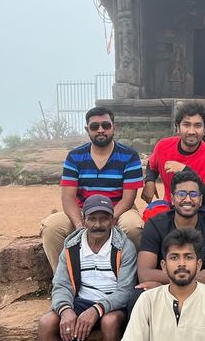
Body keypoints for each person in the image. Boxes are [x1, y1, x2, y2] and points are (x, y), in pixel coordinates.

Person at [31, 195, 137, 341]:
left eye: (104, 218)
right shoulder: (72, 246)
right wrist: (67, 310)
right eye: (92, 218)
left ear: (112, 220)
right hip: (80, 300)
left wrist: (96, 310)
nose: (98, 224)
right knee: (47, 322)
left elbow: (125, 290)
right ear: (84, 220)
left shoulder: (124, 247)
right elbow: (61, 285)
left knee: (110, 323)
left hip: (110, 304)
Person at [41, 106, 143, 272]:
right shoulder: (75, 156)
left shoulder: (129, 156)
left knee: (133, 227)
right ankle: (64, 281)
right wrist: (80, 225)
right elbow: (68, 198)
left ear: (114, 128)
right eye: (95, 126)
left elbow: (128, 198)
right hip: (83, 211)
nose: (101, 130)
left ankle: (131, 280)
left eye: (106, 125)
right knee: (52, 227)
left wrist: (108, 219)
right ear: (87, 129)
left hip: (119, 210)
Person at [138, 169, 205, 290]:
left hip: (203, 291)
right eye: (181, 194)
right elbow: (144, 274)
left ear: (201, 200)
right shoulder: (155, 224)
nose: (187, 199)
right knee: (139, 294)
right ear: (172, 199)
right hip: (168, 290)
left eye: (193, 194)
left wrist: (164, 281)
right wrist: (196, 277)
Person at [142, 102, 205, 206]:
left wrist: (185, 171)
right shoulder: (163, 146)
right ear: (178, 128)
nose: (192, 131)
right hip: (169, 207)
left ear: (204, 130)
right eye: (186, 125)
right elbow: (152, 166)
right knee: (152, 214)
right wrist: (150, 181)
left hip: (198, 210)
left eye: (197, 126)